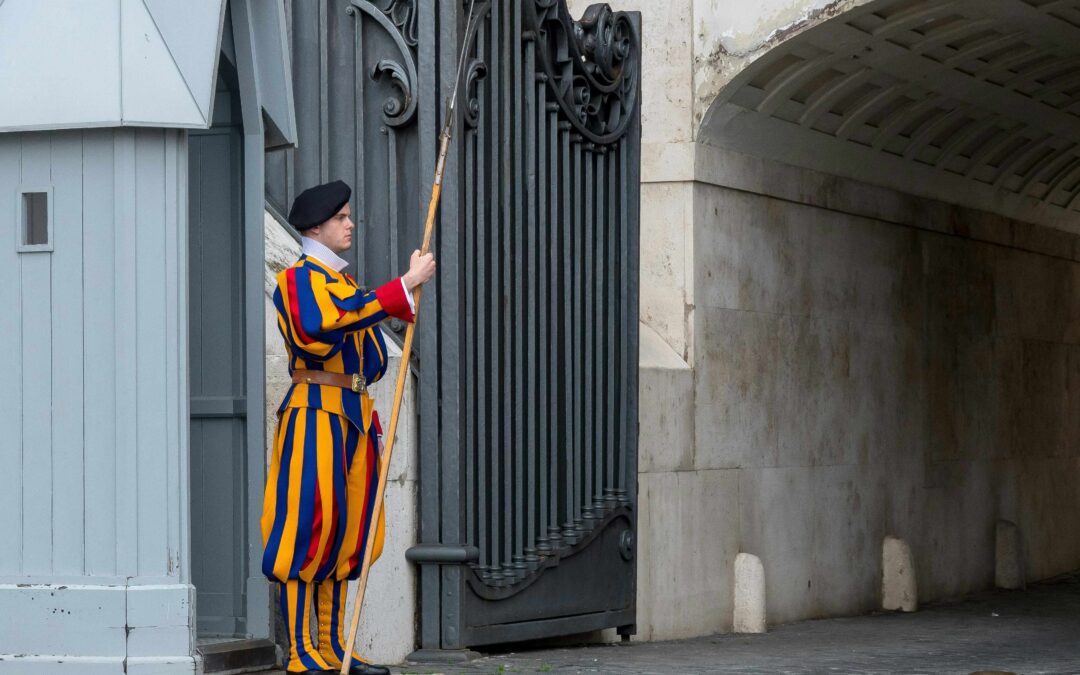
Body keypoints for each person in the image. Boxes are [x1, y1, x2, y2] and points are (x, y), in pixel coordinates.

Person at [261, 180, 436, 674]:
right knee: (306, 527)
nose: (350, 224)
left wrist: (397, 302)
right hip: (315, 411)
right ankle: (301, 653)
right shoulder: (299, 279)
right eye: (341, 218)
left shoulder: (345, 285)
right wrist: (398, 289)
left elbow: (373, 358)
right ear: (316, 226)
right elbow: (321, 326)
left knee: (344, 533)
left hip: (354, 416)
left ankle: (333, 647)